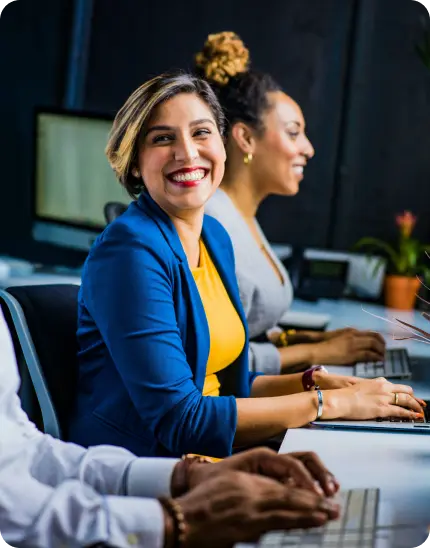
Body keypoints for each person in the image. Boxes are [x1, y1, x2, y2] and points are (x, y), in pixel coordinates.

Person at [68, 71, 424, 460]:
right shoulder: (129, 251)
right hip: (143, 469)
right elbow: (180, 418)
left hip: (212, 457)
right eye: (163, 138)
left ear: (222, 144)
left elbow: (227, 387)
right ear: (135, 163)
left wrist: (315, 383)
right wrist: (328, 404)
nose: (187, 153)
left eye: (201, 133)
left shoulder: (215, 237)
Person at [0, 307, 342, 547]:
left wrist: (183, 477)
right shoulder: (129, 251)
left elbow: (24, 451)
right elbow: (12, 512)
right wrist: (176, 520)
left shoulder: (211, 238)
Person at [200, 32, 387, 375]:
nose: (308, 148)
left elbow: (248, 330)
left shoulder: (242, 217)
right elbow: (218, 364)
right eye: (292, 132)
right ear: (245, 138)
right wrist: (317, 354)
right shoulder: (214, 226)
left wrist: (309, 341)